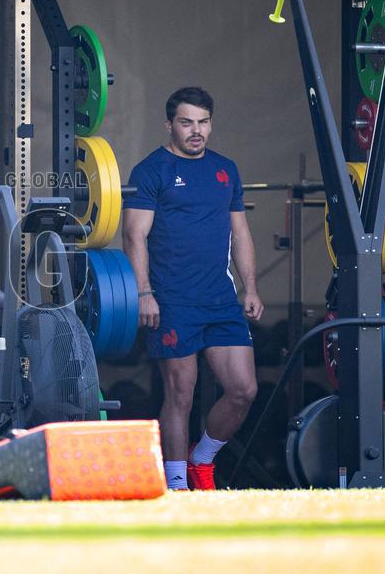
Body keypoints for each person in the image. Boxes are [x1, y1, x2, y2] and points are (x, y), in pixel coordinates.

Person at [122, 87, 263, 491]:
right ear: (170, 125)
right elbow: (134, 236)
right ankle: (179, 484)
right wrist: (144, 293)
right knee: (180, 392)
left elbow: (240, 233)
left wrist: (249, 288)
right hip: (172, 300)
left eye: (203, 122)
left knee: (243, 390)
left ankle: (202, 460)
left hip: (220, 298)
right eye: (186, 122)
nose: (196, 131)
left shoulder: (226, 170)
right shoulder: (151, 171)